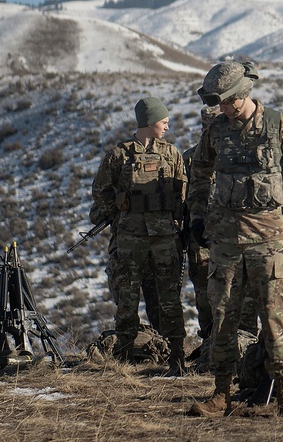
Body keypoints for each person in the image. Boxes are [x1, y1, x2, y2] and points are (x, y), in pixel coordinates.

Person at [186, 61, 283, 417]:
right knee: (224, 316)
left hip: (268, 240)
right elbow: (198, 172)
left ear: (242, 95)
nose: (221, 108)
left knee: (275, 318)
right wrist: (197, 216)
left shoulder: (277, 125)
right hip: (226, 241)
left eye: (225, 101)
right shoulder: (216, 130)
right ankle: (220, 393)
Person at [90, 97, 188, 375]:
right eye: (163, 121)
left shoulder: (172, 154)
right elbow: (100, 191)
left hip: (165, 239)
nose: (167, 126)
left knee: (169, 299)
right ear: (148, 121)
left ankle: (176, 358)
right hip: (130, 240)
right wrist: (119, 212)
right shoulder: (119, 156)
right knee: (127, 299)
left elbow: (183, 193)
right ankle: (124, 358)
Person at [183, 105, 222, 343]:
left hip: (233, 236)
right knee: (205, 296)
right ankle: (209, 345)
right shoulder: (190, 158)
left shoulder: (236, 155)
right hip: (201, 238)